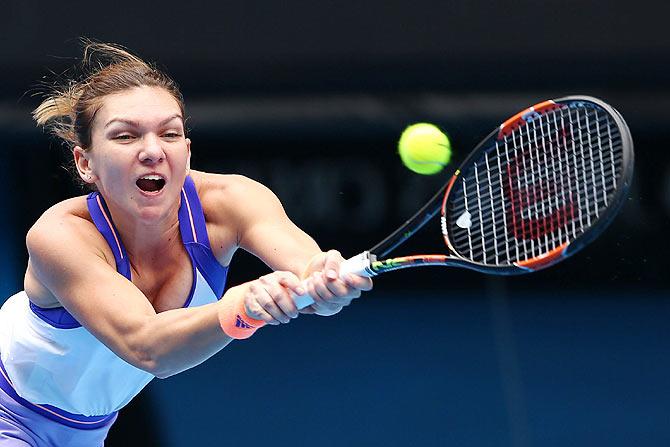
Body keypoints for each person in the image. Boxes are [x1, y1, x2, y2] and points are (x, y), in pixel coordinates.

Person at [0, 41, 373, 446]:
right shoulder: (60, 235)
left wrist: (324, 285)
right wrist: (239, 309)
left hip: (89, 432)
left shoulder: (234, 202)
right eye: (125, 136)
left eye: (170, 133)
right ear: (85, 163)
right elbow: (146, 346)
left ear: (187, 152)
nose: (152, 151)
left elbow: (307, 264)